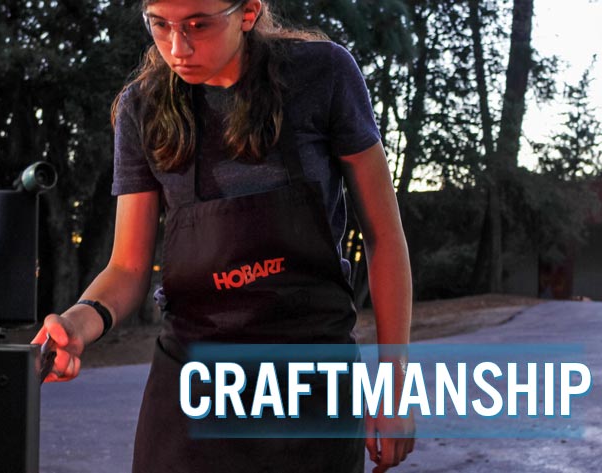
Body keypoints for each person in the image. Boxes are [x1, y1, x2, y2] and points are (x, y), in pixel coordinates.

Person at [31, 0, 415, 471]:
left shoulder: (323, 74)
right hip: (191, 386)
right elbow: (127, 267)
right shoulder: (141, 107)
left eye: (198, 25)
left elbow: (384, 237)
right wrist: (77, 323)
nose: (178, 47)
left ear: (248, 12)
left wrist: (395, 386)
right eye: (160, 25)